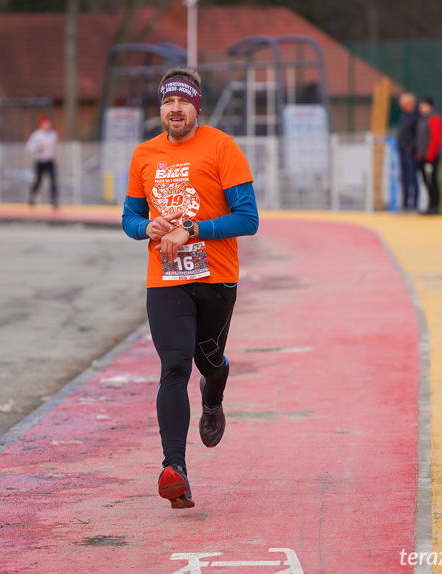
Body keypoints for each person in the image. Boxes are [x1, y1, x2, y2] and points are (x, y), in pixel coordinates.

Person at [121, 67, 259, 509]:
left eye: (182, 101)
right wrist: (149, 226)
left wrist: (191, 229)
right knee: (175, 364)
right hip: (166, 279)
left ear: (195, 107)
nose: (174, 109)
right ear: (160, 109)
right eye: (167, 102)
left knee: (208, 360)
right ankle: (174, 469)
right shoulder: (144, 155)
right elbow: (129, 220)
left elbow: (248, 218)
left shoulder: (222, 147)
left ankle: (213, 393)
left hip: (216, 276)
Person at [415, 96, 442, 215]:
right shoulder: (422, 119)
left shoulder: (434, 118)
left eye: (424, 106)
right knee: (427, 182)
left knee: (432, 181)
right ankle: (429, 206)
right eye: (420, 106)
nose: (421, 108)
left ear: (429, 106)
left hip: (430, 158)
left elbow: (436, 139)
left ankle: (434, 206)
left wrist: (429, 157)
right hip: (422, 157)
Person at [25, 117, 59, 208]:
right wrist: (37, 148)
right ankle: (32, 197)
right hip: (39, 161)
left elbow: (56, 146)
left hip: (49, 160)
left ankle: (54, 200)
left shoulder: (53, 134)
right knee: (38, 181)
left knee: (53, 181)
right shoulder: (36, 135)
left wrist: (54, 151)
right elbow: (29, 147)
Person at [396, 92, 420, 212]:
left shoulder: (416, 117)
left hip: (410, 152)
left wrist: (411, 147)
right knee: (404, 178)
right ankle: (405, 203)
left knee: (412, 178)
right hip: (402, 151)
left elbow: (418, 135)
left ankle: (414, 203)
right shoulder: (404, 116)